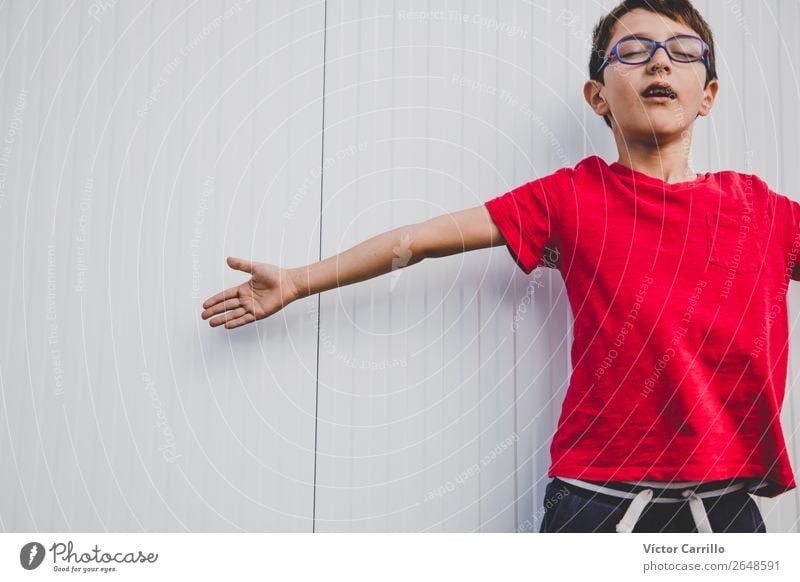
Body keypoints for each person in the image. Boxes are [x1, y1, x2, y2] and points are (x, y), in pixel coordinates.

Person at [200, 0, 800, 533]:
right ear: (597, 96)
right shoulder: (570, 197)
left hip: (727, 507)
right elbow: (422, 240)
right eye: (635, 51)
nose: (660, 64)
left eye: (683, 52)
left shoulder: (762, 210)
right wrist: (300, 280)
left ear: (709, 95)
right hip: (596, 500)